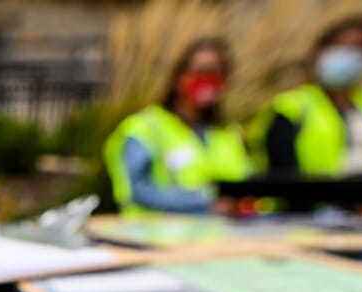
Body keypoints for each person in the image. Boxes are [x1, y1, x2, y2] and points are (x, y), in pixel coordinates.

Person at [249, 15, 362, 176]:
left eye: (357, 48)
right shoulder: (290, 108)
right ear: (320, 52)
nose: (347, 55)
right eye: (340, 45)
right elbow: (282, 173)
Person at [104, 38, 252, 215]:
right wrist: (204, 204)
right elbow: (136, 189)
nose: (208, 79)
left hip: (221, 237)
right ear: (179, 77)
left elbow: (248, 186)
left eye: (216, 73)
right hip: (155, 236)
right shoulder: (147, 127)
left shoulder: (227, 135)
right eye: (202, 71)